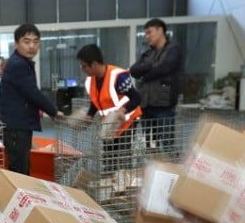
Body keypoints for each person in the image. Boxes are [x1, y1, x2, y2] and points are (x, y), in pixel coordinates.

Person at [0, 23, 62, 175]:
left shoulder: (20, 62)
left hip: (17, 126)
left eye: (35, 41)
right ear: (16, 43)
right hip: (17, 127)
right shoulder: (18, 64)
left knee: (21, 167)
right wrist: (53, 112)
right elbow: (33, 93)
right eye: (26, 42)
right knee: (19, 171)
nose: (32, 46)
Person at [76, 44, 143, 173]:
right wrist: (89, 115)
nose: (83, 69)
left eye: (84, 66)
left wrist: (122, 110)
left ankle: (123, 180)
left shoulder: (118, 77)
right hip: (109, 123)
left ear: (94, 64)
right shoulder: (90, 81)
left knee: (122, 155)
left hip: (127, 121)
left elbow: (136, 98)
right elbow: (95, 100)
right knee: (108, 157)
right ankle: (110, 179)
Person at [129, 18, 184, 151]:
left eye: (149, 32)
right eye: (145, 34)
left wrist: (145, 74)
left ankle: (168, 163)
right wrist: (149, 66)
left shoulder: (173, 49)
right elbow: (134, 70)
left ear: (160, 30)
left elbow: (165, 67)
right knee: (149, 144)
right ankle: (151, 162)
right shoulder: (147, 53)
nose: (147, 36)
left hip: (164, 105)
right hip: (146, 105)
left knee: (166, 144)